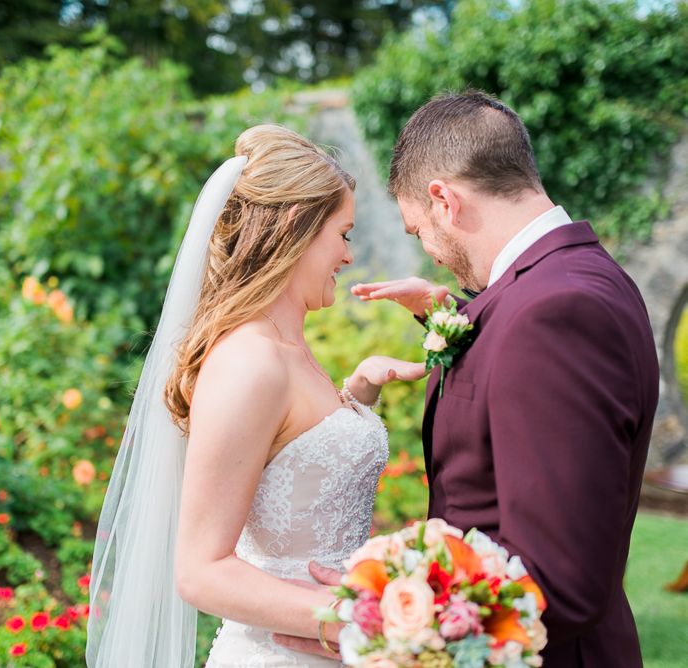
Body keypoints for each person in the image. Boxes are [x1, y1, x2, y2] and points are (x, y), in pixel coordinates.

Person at [277, 91, 660, 667]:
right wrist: (450, 313)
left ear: (444, 201)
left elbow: (561, 582)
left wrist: (383, 614)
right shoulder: (569, 280)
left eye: (417, 232)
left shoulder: (552, 314)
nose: (429, 253)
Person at [86, 124, 426, 667]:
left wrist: (358, 393)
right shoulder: (249, 362)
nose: (346, 256)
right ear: (296, 226)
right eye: (342, 234)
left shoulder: (288, 348)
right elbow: (201, 571)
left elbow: (296, 461)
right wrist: (357, 619)